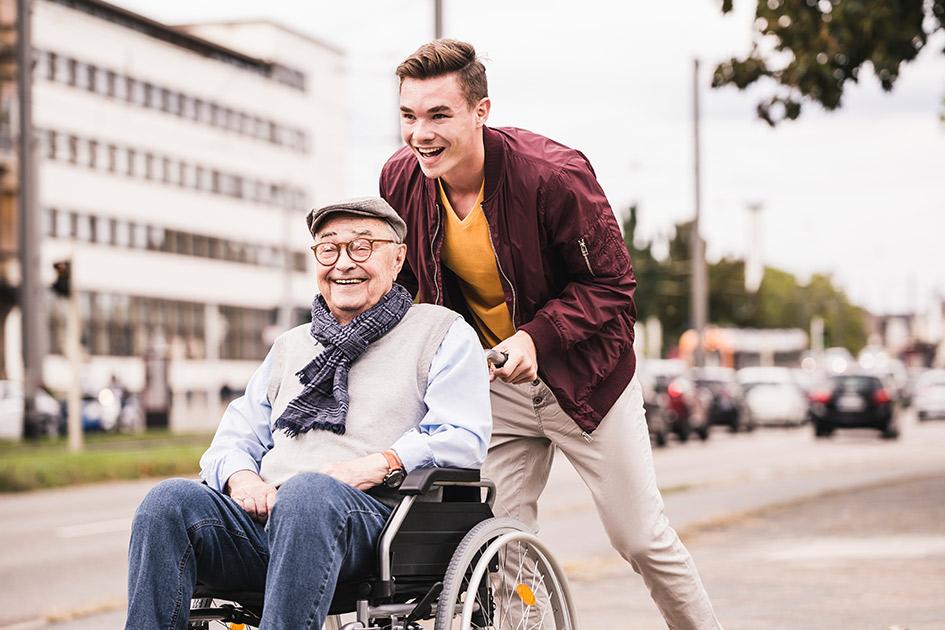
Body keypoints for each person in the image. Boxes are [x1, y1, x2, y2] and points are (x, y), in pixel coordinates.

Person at [380, 40, 722, 629]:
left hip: (585, 382)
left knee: (641, 538)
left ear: (481, 111)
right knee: (499, 549)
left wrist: (536, 339)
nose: (420, 134)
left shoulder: (554, 176)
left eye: (439, 115)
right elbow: (404, 290)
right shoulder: (401, 180)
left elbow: (613, 285)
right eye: (409, 116)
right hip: (495, 388)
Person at [125, 197, 491, 630]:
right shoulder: (290, 346)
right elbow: (235, 437)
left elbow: (462, 436)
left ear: (397, 258)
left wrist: (378, 464)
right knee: (166, 502)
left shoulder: (440, 331)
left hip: (380, 520)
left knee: (308, 495)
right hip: (269, 518)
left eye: (361, 247)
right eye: (328, 248)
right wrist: (242, 479)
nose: (342, 264)